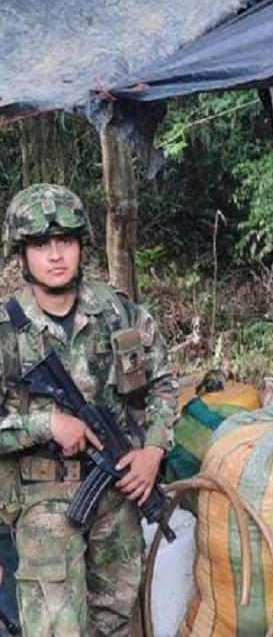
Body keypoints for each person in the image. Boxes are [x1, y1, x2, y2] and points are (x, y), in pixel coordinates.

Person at [0, 183, 178, 635]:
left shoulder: (118, 313)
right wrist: (46, 424)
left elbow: (162, 383)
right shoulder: (6, 333)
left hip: (118, 494)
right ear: (21, 254)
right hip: (42, 508)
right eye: (41, 244)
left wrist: (152, 451)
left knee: (120, 622)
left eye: (66, 241)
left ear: (82, 246)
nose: (55, 255)